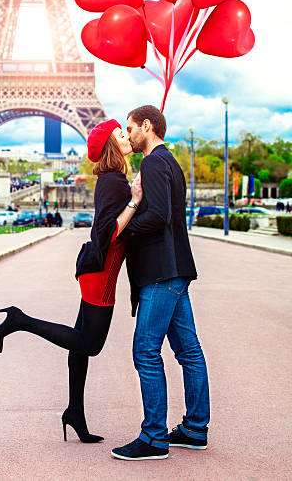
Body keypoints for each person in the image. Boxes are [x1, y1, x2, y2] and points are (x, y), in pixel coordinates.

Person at [0, 119, 142, 443]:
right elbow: (107, 232)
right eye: (120, 133)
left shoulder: (112, 178)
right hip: (101, 276)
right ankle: (20, 320)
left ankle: (75, 411)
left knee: (80, 343)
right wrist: (134, 201)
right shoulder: (115, 182)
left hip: (95, 272)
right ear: (111, 146)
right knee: (90, 344)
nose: (125, 136)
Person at [111, 105, 210, 462]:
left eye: (130, 127)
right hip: (177, 268)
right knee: (188, 351)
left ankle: (154, 437)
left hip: (159, 272)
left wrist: (123, 229)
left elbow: (159, 215)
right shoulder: (171, 162)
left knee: (146, 352)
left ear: (146, 126)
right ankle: (195, 428)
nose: (128, 134)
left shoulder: (152, 163)